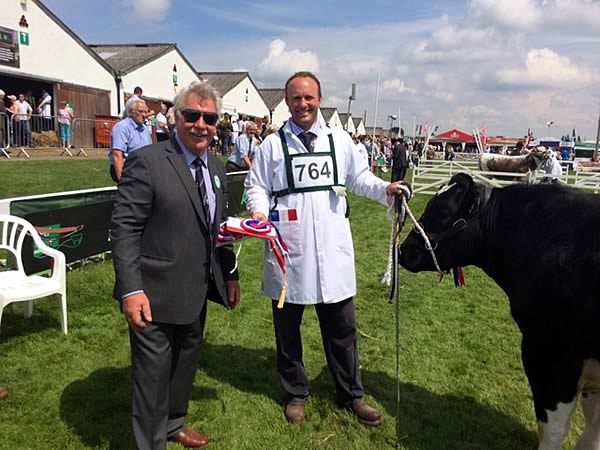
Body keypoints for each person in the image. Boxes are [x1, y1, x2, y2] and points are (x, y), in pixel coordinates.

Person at [244, 71, 406, 426]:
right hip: (289, 248)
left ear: (319, 99)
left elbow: (360, 178)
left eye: (309, 97)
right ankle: (295, 393)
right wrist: (258, 210)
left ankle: (351, 395)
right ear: (287, 102)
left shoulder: (339, 141)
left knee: (342, 330)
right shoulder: (273, 145)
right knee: (287, 331)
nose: (303, 104)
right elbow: (255, 186)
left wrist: (385, 190)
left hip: (331, 252)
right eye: (296, 98)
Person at [111, 80, 240, 449]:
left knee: (185, 363)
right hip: (153, 293)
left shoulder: (215, 166)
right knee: (152, 378)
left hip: (197, 290)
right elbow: (124, 229)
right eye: (192, 115)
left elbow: (220, 225)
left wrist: (229, 274)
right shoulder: (147, 162)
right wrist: (132, 289)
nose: (201, 124)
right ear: (175, 117)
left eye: (210, 118)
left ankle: (173, 424)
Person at [108, 100, 152, 183]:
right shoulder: (121, 127)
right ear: (131, 112)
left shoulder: (144, 129)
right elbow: (117, 154)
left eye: (145, 112)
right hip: (128, 169)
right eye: (140, 111)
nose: (144, 115)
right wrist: (122, 181)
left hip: (143, 169)